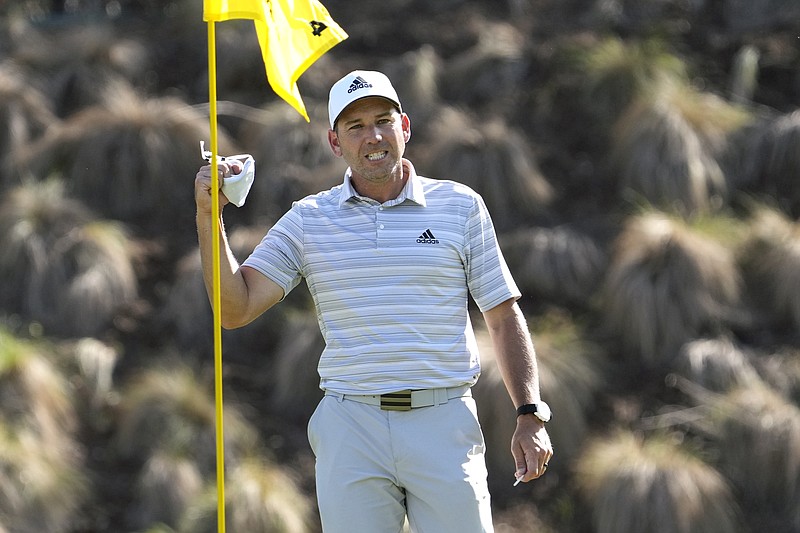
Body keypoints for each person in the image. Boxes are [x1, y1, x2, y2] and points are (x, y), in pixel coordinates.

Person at [195, 70, 553, 533]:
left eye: (383, 121)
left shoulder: (460, 207)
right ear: (334, 142)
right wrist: (209, 217)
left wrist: (529, 412)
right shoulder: (308, 219)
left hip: (442, 421)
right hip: (351, 425)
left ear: (404, 127)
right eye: (356, 127)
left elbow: (503, 316)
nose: (374, 136)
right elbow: (234, 309)